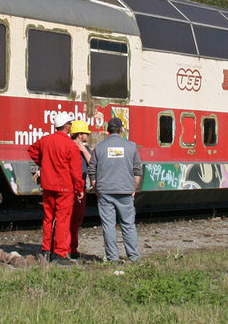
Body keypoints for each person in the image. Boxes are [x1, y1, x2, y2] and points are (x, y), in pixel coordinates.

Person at [28, 111, 84, 264]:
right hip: (65, 188)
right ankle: (59, 253)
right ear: (66, 126)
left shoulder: (45, 140)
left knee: (48, 218)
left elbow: (32, 150)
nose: (71, 126)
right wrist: (80, 188)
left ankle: (46, 250)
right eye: (70, 124)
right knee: (62, 220)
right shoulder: (70, 145)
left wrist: (44, 162)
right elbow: (76, 171)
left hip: (48, 186)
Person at [90, 116, 144, 263]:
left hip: (105, 191)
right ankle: (133, 257)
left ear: (108, 130)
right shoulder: (131, 147)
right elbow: (138, 170)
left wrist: (96, 187)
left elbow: (92, 170)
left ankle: (112, 258)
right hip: (125, 190)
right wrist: (134, 188)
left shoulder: (99, 147)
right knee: (128, 225)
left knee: (108, 225)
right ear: (121, 130)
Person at [68, 118, 93, 259]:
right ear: (79, 135)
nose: (88, 135)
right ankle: (69, 248)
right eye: (86, 133)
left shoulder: (85, 149)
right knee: (70, 220)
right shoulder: (68, 147)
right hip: (72, 189)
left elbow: (92, 163)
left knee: (76, 220)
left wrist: (83, 149)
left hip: (80, 188)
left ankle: (72, 247)